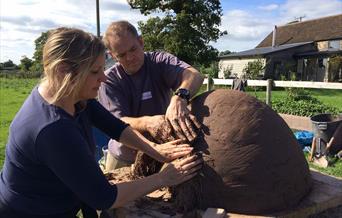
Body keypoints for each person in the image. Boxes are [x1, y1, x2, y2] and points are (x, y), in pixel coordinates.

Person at [0, 27, 202, 218]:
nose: (104, 78)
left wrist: (155, 150)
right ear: (63, 71)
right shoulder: (52, 129)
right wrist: (163, 178)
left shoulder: (72, 96)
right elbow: (104, 197)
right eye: (95, 71)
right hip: (31, 212)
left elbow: (116, 127)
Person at [98, 21, 204, 171]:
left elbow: (194, 75)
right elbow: (116, 121)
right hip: (126, 156)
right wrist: (148, 122)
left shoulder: (159, 61)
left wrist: (180, 97)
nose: (129, 58)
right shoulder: (109, 80)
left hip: (165, 150)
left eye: (133, 49)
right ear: (113, 56)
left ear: (141, 42)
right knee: (114, 191)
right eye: (121, 55)